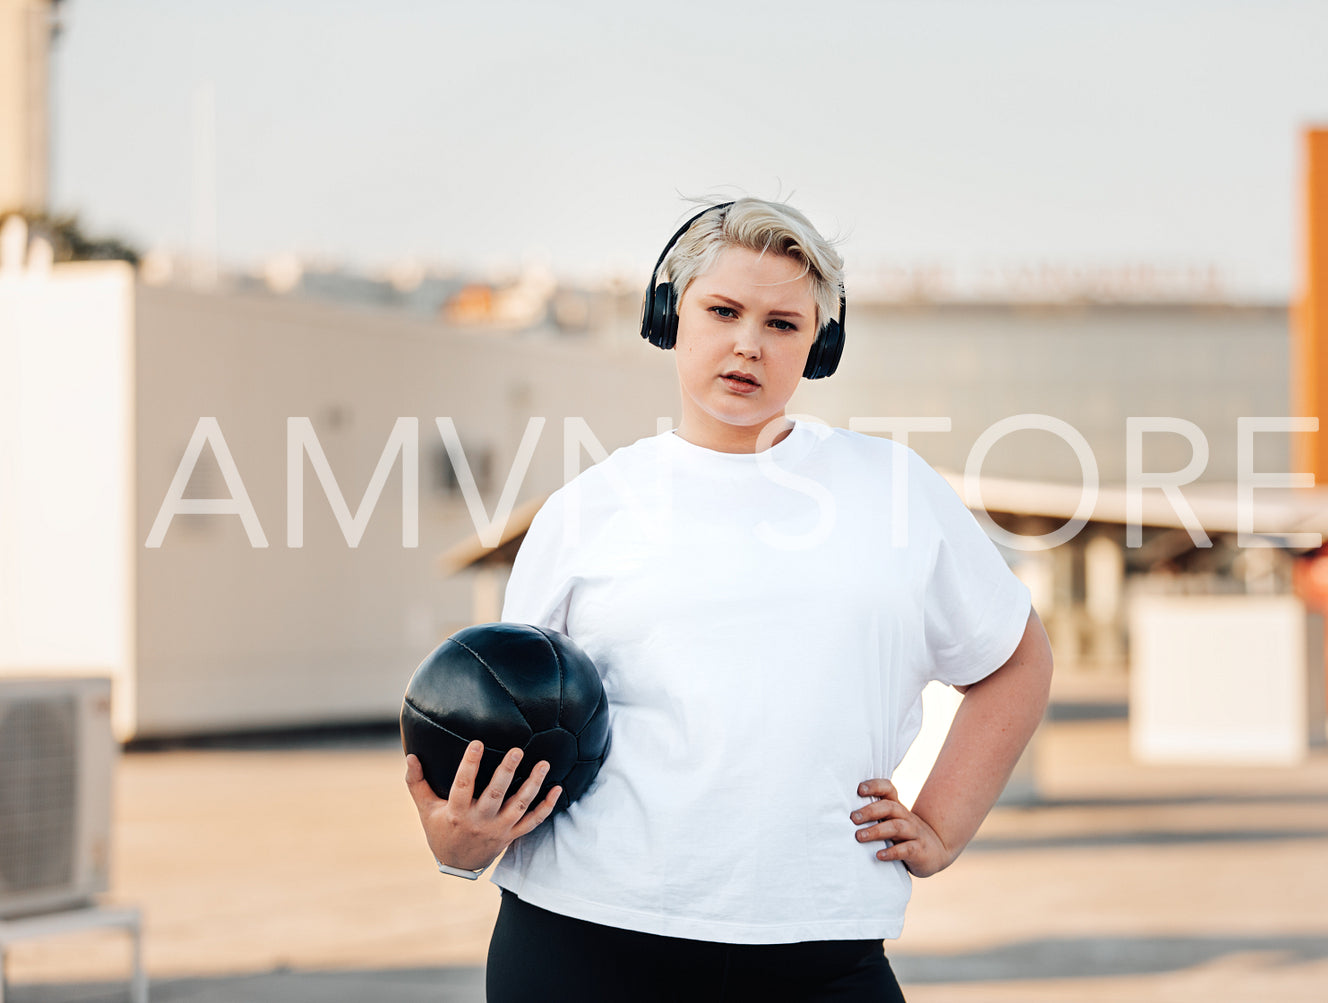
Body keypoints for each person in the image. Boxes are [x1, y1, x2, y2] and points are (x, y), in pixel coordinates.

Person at [405, 197, 1054, 1002]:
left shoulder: (894, 492)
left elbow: (1016, 658)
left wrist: (942, 819)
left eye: (783, 323)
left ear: (818, 345)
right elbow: (515, 714)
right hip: (586, 939)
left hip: (818, 948)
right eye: (723, 310)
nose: (748, 342)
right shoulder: (588, 509)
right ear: (670, 314)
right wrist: (459, 844)